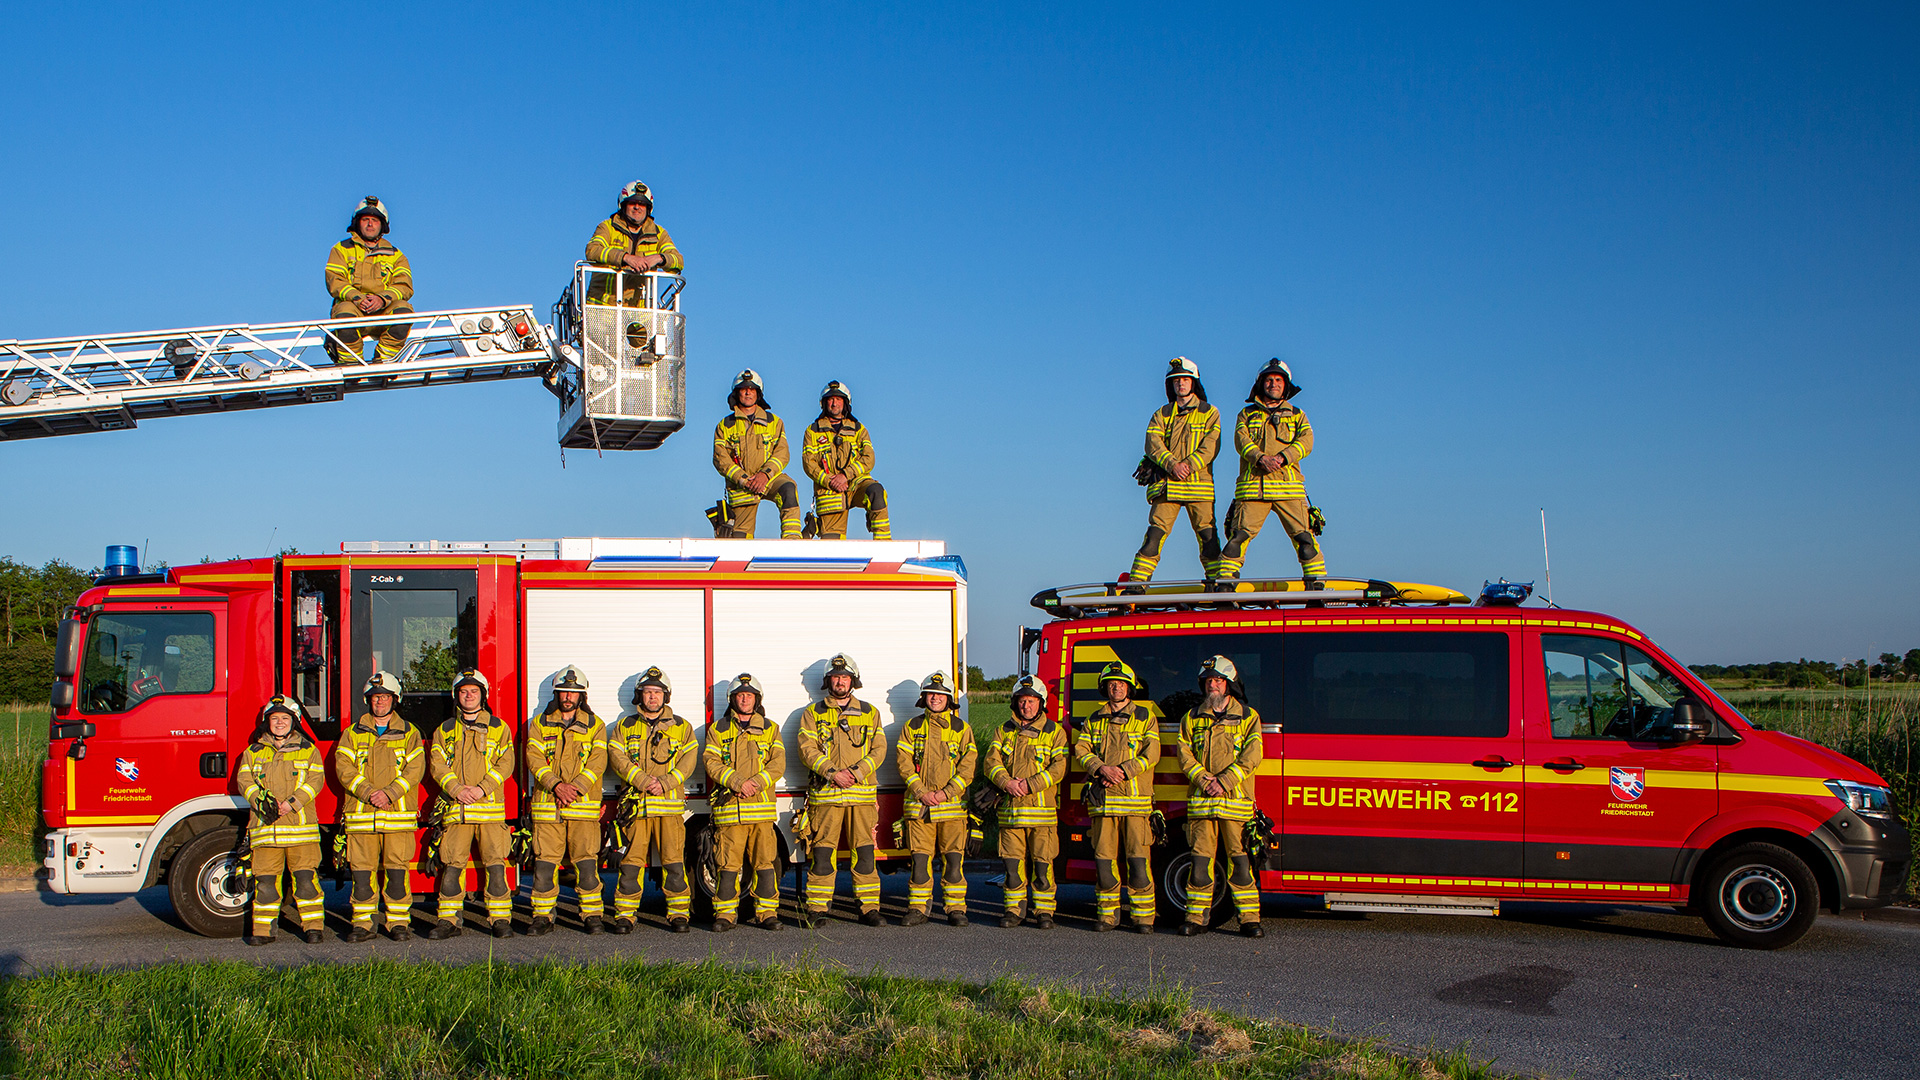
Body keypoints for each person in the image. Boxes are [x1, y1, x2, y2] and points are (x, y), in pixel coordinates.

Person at [1174, 656, 1266, 937]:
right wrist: (1204, 780)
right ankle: (1195, 918)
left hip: (1235, 803)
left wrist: (1223, 781)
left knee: (1240, 862)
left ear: (1229, 685)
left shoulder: (1249, 717)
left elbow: (1253, 755)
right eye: (1208, 681)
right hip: (1203, 804)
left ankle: (1249, 920)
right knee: (1200, 863)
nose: (1212, 685)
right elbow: (1184, 754)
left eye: (1218, 680)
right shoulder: (1191, 717)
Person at [332, 671, 425, 942]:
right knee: (361, 874)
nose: (379, 702)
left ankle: (398, 924)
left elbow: (414, 770)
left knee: (397, 873)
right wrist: (369, 792)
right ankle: (363, 924)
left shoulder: (410, 733)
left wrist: (390, 793)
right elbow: (344, 769)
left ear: (394, 700)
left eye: (384, 697)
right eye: (375, 698)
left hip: (397, 816)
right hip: (362, 816)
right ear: (368, 701)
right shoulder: (352, 733)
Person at [606, 666, 699, 933]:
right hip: (637, 808)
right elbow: (617, 757)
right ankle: (625, 915)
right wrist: (643, 781)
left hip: (668, 809)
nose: (652, 697)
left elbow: (688, 761)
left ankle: (679, 914)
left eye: (657, 692)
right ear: (640, 696)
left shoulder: (682, 727)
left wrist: (666, 783)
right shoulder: (625, 726)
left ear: (665, 696)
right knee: (631, 863)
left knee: (673, 862)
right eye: (647, 692)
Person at [797, 653, 886, 927]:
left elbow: (879, 749)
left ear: (853, 681)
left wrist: (857, 773)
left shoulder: (870, 712)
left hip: (860, 797)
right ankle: (817, 909)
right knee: (822, 853)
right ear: (828, 681)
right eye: (835, 677)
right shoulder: (813, 713)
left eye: (845, 677)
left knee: (865, 853)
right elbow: (806, 749)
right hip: (826, 796)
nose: (840, 681)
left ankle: (869, 908)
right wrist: (833, 774)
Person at [1073, 660, 1162, 932]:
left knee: (1138, 862)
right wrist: (1100, 768)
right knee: (1104, 862)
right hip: (1103, 804)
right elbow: (1081, 750)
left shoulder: (1145, 717)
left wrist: (1121, 772)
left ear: (1129, 687)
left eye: (1121, 683)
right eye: (1111, 684)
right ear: (1105, 688)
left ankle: (1143, 918)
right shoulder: (1093, 719)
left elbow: (1152, 754)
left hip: (1136, 803)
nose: (1116, 687)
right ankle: (1107, 916)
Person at [425, 669, 515, 939]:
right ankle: (448, 921)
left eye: (474, 691)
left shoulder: (499, 728)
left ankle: (500, 920)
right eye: (464, 691)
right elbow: (437, 765)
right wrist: (455, 789)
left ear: (483, 695)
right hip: (457, 810)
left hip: (488, 810)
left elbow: (506, 763)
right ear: (457, 696)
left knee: (496, 867)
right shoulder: (444, 730)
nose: (468, 695)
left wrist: (481, 789)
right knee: (451, 866)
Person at [1217, 358, 1325, 583]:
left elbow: (1307, 441)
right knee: (1237, 539)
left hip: (1289, 489)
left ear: (1285, 385)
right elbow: (1240, 440)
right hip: (1253, 490)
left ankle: (1317, 587)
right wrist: (1260, 458)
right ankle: (1225, 587)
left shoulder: (1297, 414)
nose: (1273, 384)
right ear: (1260, 384)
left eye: (1278, 380)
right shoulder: (1245, 414)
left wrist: (1283, 458)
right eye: (1268, 380)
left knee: (1305, 540)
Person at [523, 665, 609, 935]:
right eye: (563, 691)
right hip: (549, 806)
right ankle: (542, 916)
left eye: (573, 692)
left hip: (582, 807)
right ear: (556, 693)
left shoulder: (596, 726)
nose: (568, 696)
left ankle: (592, 914)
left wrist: (576, 788)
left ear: (582, 695)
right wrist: (557, 785)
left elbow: (597, 763)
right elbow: (533, 759)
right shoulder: (538, 723)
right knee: (545, 863)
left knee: (586, 863)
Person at [237, 695, 326, 945]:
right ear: (267, 722)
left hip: (301, 831)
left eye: (284, 718)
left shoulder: (309, 750)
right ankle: (263, 932)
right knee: (265, 883)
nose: (279, 723)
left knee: (306, 881)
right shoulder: (253, 752)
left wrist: (291, 803)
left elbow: (315, 781)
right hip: (266, 830)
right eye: (274, 718)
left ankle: (313, 928)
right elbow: (244, 781)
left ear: (294, 722)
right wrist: (260, 801)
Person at [703, 673, 787, 932]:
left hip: (760, 813)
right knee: (727, 866)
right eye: (740, 695)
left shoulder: (770, 728)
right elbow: (711, 762)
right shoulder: (718, 730)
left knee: (764, 865)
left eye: (749, 695)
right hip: (730, 812)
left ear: (757, 699)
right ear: (732, 699)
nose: (744, 699)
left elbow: (778, 764)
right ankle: (725, 915)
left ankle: (767, 914)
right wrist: (738, 783)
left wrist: (757, 783)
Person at [984, 675, 1069, 929]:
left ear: (1040, 703)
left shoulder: (1054, 732)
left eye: (1031, 701)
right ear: (1015, 702)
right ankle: (1014, 911)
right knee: (1012, 866)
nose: (1026, 706)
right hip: (1011, 813)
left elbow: (1059, 767)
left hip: (1041, 814)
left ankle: (1044, 912)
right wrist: (1006, 783)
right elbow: (991, 762)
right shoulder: (1003, 730)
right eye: (1022, 701)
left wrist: (1029, 784)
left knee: (1043, 866)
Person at [1128, 357, 1221, 585]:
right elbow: (1152, 443)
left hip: (1199, 487)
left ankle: (1219, 586)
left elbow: (1212, 445)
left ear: (1194, 383)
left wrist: (1187, 465)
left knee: (1208, 539)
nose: (1180, 384)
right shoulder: (1162, 413)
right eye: (1176, 380)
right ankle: (1136, 586)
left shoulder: (1209, 412)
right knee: (1154, 536)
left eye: (1185, 379)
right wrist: (1173, 465)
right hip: (1168, 486)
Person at [896, 671, 975, 926]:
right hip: (920, 808)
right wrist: (921, 792)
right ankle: (918, 909)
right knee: (920, 860)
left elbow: (968, 767)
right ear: (924, 697)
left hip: (951, 810)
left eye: (941, 694)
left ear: (949, 698)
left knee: (953, 860)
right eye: (931, 693)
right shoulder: (912, 727)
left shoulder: (962, 729)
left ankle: (955, 909)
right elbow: (904, 764)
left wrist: (945, 793)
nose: (935, 698)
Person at [710, 369, 803, 540]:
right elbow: (720, 458)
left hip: (769, 478)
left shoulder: (774, 422)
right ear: (736, 393)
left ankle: (792, 545)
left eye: (752, 389)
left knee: (788, 488)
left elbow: (782, 452)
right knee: (740, 540)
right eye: (744, 388)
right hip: (742, 485)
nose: (747, 392)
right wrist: (743, 479)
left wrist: (765, 475)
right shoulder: (724, 425)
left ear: (758, 393)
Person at [324, 196, 414, 364]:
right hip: (354, 309)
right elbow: (335, 281)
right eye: (366, 219)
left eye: (375, 220)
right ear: (357, 222)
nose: (370, 224)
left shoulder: (397, 256)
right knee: (343, 312)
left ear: (383, 225)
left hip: (384, 312)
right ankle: (350, 363)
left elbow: (404, 286)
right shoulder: (341, 249)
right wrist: (358, 299)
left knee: (404, 311)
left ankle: (385, 359)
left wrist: (382, 299)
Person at [801, 381, 890, 540]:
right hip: (830, 491)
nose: (834, 403)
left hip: (856, 483)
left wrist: (845, 475)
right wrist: (829, 480)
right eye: (830, 399)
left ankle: (883, 545)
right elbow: (809, 464)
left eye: (838, 399)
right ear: (824, 403)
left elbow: (869, 458)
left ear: (846, 403)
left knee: (876, 491)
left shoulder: (858, 429)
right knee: (832, 546)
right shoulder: (812, 431)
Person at [585, 180, 683, 306]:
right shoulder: (607, 227)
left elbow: (678, 261)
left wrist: (659, 258)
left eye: (642, 204)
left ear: (648, 209)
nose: (637, 207)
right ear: (623, 205)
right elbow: (592, 250)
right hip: (602, 307)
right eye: (633, 203)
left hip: (639, 312)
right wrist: (625, 258)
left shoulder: (659, 234)